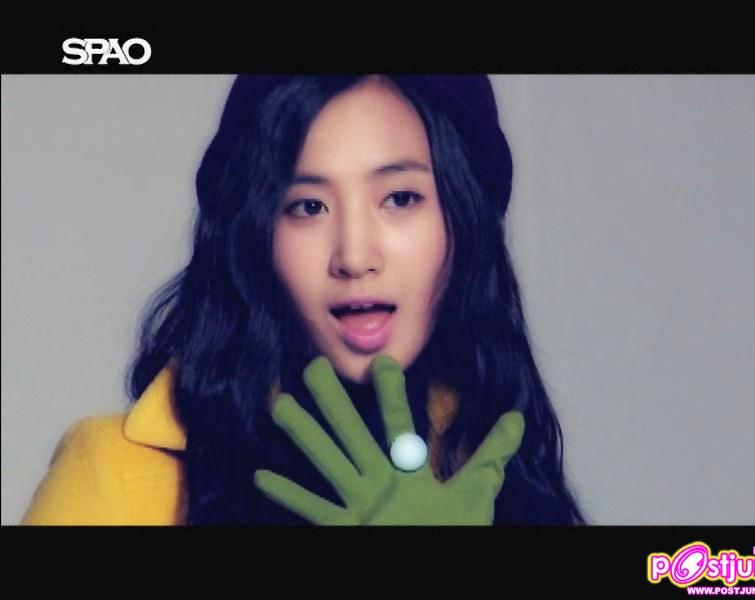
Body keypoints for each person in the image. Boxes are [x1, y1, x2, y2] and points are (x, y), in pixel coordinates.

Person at [22, 74, 585, 525]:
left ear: (464, 222)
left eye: (400, 198)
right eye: (309, 207)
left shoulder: (499, 459)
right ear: (256, 237)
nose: (355, 256)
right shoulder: (115, 474)